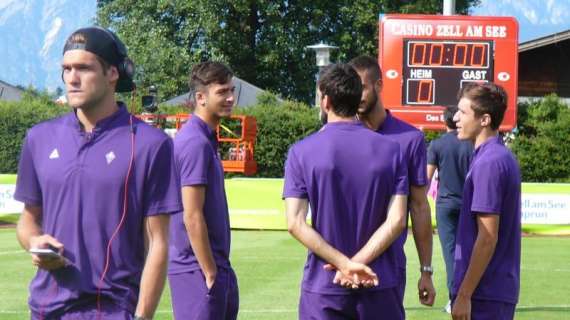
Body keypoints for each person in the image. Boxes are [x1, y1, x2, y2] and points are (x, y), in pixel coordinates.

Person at [14, 26, 182, 320]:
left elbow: (158, 242)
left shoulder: (151, 145)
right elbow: (28, 221)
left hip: (114, 311)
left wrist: (142, 316)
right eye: (66, 69)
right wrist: (34, 242)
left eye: (83, 68)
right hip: (45, 310)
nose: (72, 78)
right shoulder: (39, 138)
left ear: (112, 74)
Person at [283, 63, 409, 319]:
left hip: (325, 285)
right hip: (378, 282)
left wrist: (345, 265)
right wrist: (356, 264)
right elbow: (396, 221)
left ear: (325, 100)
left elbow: (295, 223)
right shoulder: (392, 150)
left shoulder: (301, 151)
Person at [349, 55, 436, 307]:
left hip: (387, 267)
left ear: (378, 85)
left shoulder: (409, 138)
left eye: (362, 87)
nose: (357, 95)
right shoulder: (339, 137)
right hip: (339, 263)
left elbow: (419, 206)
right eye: (352, 89)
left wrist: (426, 271)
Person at [168, 61, 239, 320]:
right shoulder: (194, 143)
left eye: (231, 91)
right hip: (196, 270)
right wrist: (210, 272)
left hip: (213, 267)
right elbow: (192, 215)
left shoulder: (206, 139)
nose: (230, 98)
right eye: (222, 92)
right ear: (200, 97)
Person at [451, 83, 521, 320]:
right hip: (490, 291)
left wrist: (464, 294)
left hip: (485, 294)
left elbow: (488, 237)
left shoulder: (489, 162)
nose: (455, 118)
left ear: (484, 120)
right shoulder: (494, 156)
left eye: (463, 112)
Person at [427, 105, 474, 313]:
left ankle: (454, 298)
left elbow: (426, 179)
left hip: (446, 204)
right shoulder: (471, 144)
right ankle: (469, 296)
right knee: (471, 252)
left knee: (450, 254)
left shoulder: (437, 145)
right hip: (469, 203)